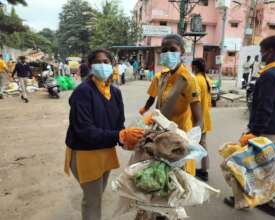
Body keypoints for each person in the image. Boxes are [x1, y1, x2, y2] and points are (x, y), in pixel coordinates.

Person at [64, 48, 144, 220]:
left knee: (98, 194)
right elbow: (85, 131)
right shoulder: (83, 92)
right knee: (92, 200)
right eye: (97, 62)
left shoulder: (115, 92)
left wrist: (130, 140)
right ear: (90, 66)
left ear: (112, 64)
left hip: (105, 152)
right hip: (85, 154)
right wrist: (119, 136)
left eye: (106, 62)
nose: (102, 65)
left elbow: (118, 123)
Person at [229, 35, 275, 217]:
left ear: (270, 52)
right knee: (268, 168)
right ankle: (271, 203)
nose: (261, 54)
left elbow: (265, 108)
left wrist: (253, 132)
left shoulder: (269, 75)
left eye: (263, 51)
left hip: (266, 133)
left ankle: (241, 201)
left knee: (241, 166)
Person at [140, 34, 202, 177]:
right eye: (164, 50)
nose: (168, 53)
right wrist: (147, 114)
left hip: (179, 138)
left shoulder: (188, 80)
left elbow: (198, 118)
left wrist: (192, 140)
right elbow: (157, 102)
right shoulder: (163, 76)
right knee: (161, 178)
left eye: (173, 49)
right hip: (161, 135)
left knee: (179, 179)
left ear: (181, 52)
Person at [192, 58, 212, 181]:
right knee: (202, 144)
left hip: (198, 118)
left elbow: (195, 101)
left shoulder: (197, 80)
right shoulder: (206, 79)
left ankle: (204, 171)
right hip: (205, 116)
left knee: (200, 145)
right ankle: (203, 169)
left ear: (195, 67)